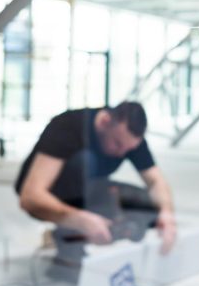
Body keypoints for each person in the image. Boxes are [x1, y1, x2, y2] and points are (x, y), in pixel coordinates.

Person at [15, 102, 177, 255]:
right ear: (104, 123)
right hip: (51, 194)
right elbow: (30, 197)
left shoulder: (127, 137)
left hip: (89, 189)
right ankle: (68, 245)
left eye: (128, 149)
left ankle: (75, 233)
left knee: (150, 205)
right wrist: (79, 219)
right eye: (117, 144)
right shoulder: (67, 126)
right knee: (86, 161)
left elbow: (156, 181)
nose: (122, 153)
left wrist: (167, 214)